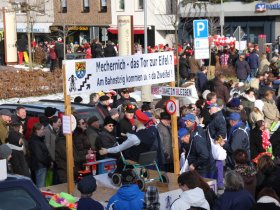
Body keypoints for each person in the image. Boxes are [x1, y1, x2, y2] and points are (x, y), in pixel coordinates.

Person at [100, 109, 164, 172]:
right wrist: (127, 134)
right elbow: (139, 136)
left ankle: (117, 174)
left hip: (137, 158)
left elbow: (119, 148)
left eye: (134, 118)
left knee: (122, 159)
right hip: (148, 157)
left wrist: (106, 151)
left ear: (138, 120)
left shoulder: (134, 137)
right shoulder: (150, 132)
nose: (133, 119)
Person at [183, 113, 216, 178]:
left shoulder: (197, 134)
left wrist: (194, 164)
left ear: (192, 121)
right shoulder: (193, 131)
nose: (185, 122)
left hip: (202, 168)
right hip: (200, 167)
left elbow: (204, 155)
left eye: (187, 121)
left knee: (202, 186)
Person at [207, 103, 227, 189]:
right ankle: (217, 183)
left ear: (215, 108)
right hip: (214, 143)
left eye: (210, 108)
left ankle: (219, 184)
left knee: (218, 162)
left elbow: (222, 131)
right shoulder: (216, 117)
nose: (209, 110)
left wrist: (217, 141)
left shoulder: (218, 118)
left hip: (216, 144)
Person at [29, 123, 52, 188]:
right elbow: (39, 156)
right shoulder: (35, 141)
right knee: (41, 186)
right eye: (42, 129)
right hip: (40, 166)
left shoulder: (39, 140)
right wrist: (48, 162)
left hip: (41, 165)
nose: (44, 131)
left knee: (42, 185)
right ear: (37, 130)